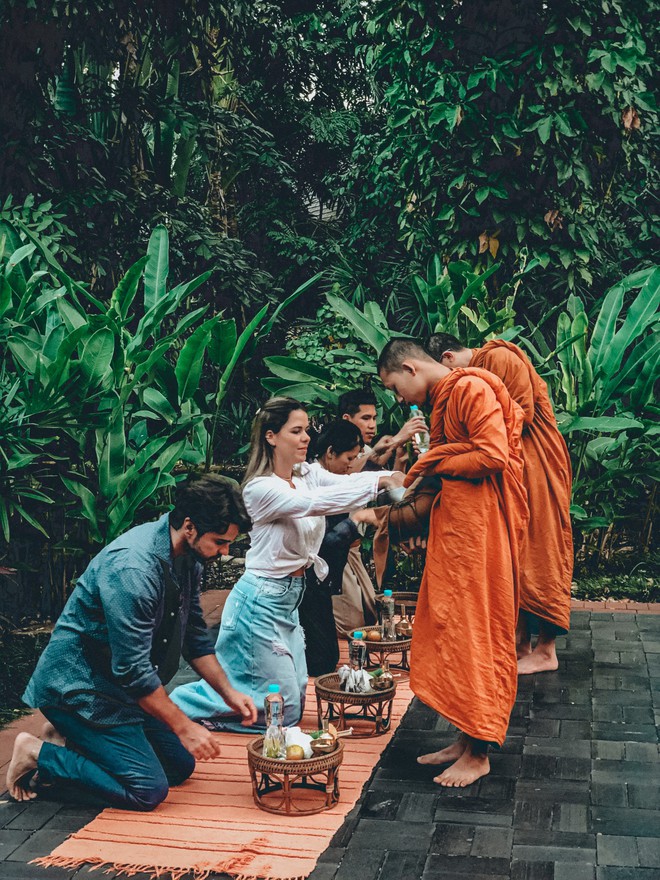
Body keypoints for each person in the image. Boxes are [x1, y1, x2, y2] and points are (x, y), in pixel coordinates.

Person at [6, 475, 258, 809]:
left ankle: (73, 741)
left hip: (119, 689)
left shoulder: (189, 556)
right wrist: (184, 727)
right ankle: (39, 753)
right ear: (189, 526)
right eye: (220, 542)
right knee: (147, 791)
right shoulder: (132, 569)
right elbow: (133, 671)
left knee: (180, 766)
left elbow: (195, 636)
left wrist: (230, 694)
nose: (225, 552)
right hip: (79, 691)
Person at [170, 398, 403, 729]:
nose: (306, 437)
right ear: (271, 437)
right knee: (286, 708)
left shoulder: (306, 474)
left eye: (307, 430)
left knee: (292, 703)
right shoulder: (261, 488)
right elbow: (314, 503)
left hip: (289, 600)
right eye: (296, 431)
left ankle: (209, 713)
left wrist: (390, 475)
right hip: (260, 603)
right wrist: (383, 483)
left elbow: (345, 484)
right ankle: (170, 710)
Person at [378, 339, 528, 787]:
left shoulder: (468, 389)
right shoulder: (447, 399)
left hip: (480, 531)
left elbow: (493, 455)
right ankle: (465, 737)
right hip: (459, 528)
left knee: (475, 628)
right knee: (454, 626)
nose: (398, 398)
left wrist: (435, 458)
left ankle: (480, 750)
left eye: (394, 386)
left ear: (409, 368)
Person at [426, 333, 573, 674]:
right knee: (516, 553)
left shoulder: (497, 359)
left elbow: (521, 414)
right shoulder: (477, 372)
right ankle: (519, 641)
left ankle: (546, 650)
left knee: (542, 550)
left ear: (448, 357)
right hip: (513, 469)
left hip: (537, 466)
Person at [312, 420, 379, 640]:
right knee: (353, 626)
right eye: (349, 459)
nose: (351, 465)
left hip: (346, 554)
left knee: (372, 613)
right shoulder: (313, 478)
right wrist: (357, 519)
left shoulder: (338, 475)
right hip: (323, 564)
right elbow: (325, 543)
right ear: (330, 452)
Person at [338, 389, 428, 471]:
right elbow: (344, 475)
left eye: (374, 418)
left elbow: (390, 484)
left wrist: (400, 459)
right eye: (366, 418)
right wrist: (395, 440)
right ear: (346, 419)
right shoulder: (333, 447)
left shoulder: (366, 450)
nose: (372, 425)